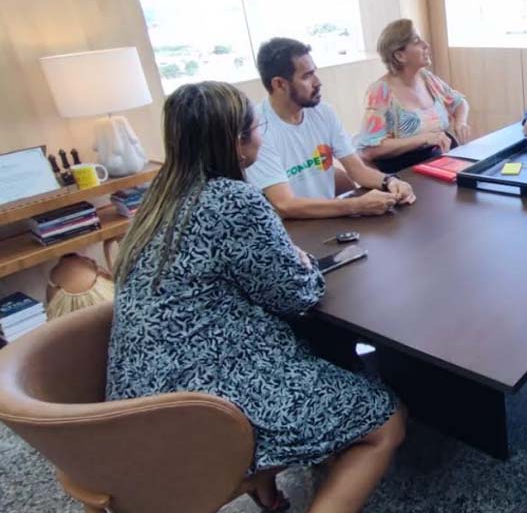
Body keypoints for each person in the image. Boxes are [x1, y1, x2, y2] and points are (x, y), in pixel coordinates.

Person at [107, 82, 405, 513]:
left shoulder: (158, 198)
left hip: (138, 400)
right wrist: (301, 261)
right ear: (237, 141)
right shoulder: (233, 200)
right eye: (257, 127)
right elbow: (297, 295)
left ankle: (267, 487)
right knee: (385, 419)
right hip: (203, 405)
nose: (261, 135)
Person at [245, 37, 416, 220]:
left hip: (328, 218)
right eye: (307, 76)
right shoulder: (257, 130)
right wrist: (356, 205)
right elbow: (285, 205)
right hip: (291, 229)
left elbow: (357, 170)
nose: (318, 82)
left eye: (314, 72)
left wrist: (390, 181)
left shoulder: (324, 112)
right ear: (279, 84)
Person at [356, 19, 470, 172]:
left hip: (441, 163)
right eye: (417, 41)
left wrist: (461, 122)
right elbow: (369, 149)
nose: (426, 45)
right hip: (406, 172)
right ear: (400, 56)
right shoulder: (380, 92)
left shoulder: (427, 78)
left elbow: (459, 102)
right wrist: (423, 138)